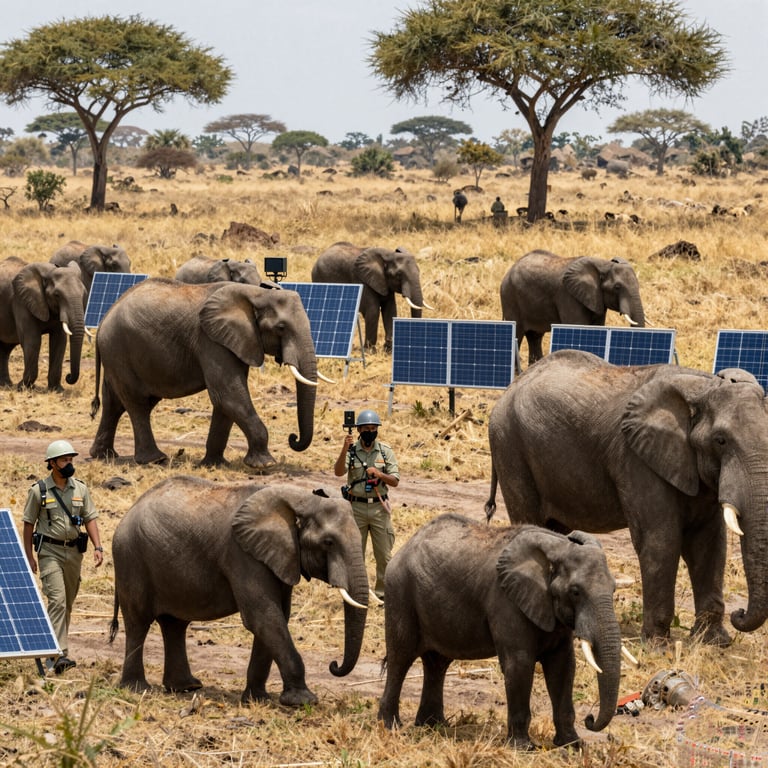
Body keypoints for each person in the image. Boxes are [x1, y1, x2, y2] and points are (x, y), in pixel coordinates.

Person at [22, 440, 104, 674]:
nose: (69, 464)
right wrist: (29, 557)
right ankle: (57, 654)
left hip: (74, 554)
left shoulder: (80, 488)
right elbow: (28, 525)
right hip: (49, 552)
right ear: (52, 463)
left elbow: (90, 518)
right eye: (64, 460)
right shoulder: (39, 491)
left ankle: (55, 651)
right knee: (56, 600)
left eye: (70, 459)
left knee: (66, 604)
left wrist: (98, 547)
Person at [334, 410, 399, 602]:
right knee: (354, 555)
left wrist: (379, 475)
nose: (371, 432)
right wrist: (344, 449)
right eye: (367, 429)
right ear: (359, 430)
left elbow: (395, 480)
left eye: (374, 428)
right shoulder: (352, 450)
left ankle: (383, 595)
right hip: (356, 509)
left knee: (384, 555)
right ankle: (356, 593)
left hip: (379, 508)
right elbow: (338, 472)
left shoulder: (385, 451)